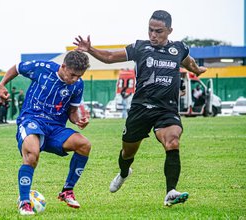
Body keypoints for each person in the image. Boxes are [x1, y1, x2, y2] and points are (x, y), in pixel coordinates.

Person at [74, 10, 207, 206]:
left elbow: (190, 63)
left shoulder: (179, 49)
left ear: (169, 30)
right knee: (128, 153)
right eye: (150, 30)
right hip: (140, 109)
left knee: (172, 142)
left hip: (167, 109)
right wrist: (90, 49)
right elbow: (110, 57)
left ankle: (170, 192)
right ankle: (124, 172)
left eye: (158, 31)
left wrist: (197, 70)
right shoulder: (140, 47)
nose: (153, 35)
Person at [0, 51, 91, 215]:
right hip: (31, 120)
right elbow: (17, 68)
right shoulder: (42, 68)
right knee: (32, 154)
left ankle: (67, 191)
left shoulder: (78, 84)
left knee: (84, 145)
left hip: (55, 128)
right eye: (73, 75)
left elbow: (72, 111)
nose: (75, 79)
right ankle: (24, 202)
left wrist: (78, 120)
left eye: (79, 76)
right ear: (63, 67)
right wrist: (2, 84)